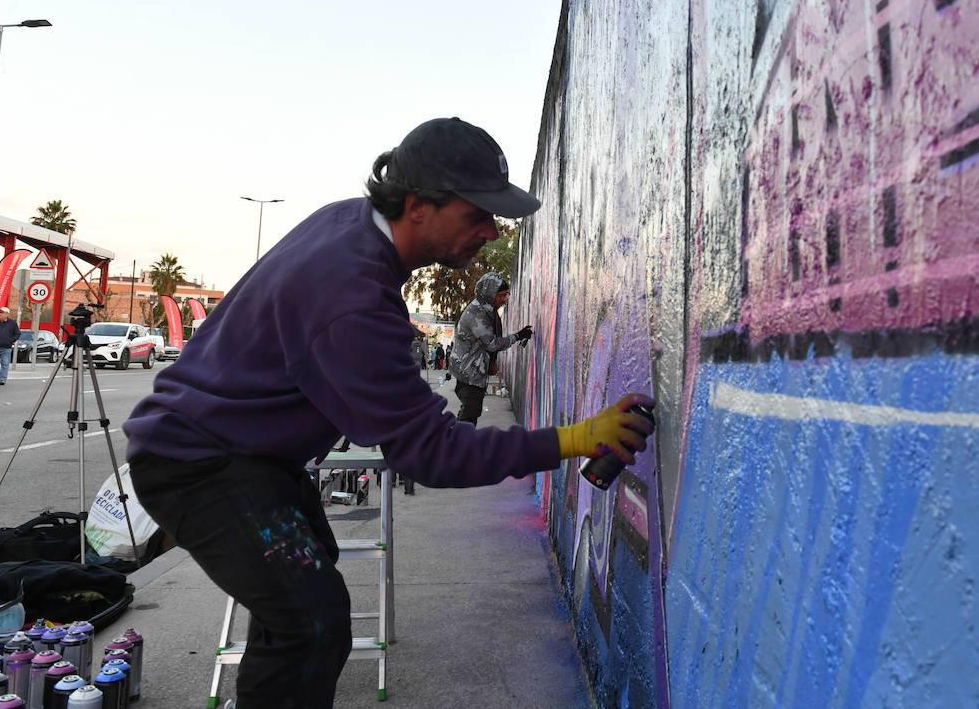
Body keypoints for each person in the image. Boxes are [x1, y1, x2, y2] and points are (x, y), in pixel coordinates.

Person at [121, 117, 654, 709]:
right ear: (418, 205)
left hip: (246, 454)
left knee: (300, 607)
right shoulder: (350, 295)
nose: (490, 229)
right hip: (200, 461)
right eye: (476, 213)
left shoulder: (349, 225)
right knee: (310, 625)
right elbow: (431, 451)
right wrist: (573, 438)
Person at [449, 273, 530, 425]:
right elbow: (492, 343)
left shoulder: (487, 310)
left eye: (506, 295)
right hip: (469, 373)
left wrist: (491, 363)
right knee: (469, 415)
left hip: (471, 371)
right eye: (501, 295)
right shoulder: (477, 313)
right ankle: (456, 444)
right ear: (490, 293)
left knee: (470, 413)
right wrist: (518, 336)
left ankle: (458, 442)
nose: (504, 300)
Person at [0, 307, 19, 385]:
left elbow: (17, 334)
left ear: (7, 314)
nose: (0, 314)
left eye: (2, 312)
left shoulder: (12, 323)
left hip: (6, 347)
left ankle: (2, 379)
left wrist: (10, 341)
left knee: (5, 363)